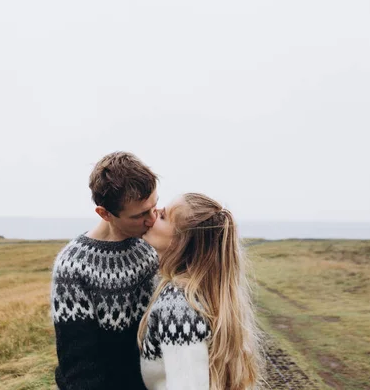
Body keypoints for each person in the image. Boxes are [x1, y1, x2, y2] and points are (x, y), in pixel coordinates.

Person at [51, 151, 160, 389]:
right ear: (104, 213)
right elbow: (79, 366)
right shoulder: (73, 267)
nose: (152, 219)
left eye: (154, 206)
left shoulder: (156, 247)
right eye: (140, 215)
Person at [139, 193, 263, 390]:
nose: (152, 216)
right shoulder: (203, 295)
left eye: (163, 216)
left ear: (180, 242)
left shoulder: (177, 306)